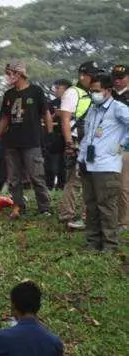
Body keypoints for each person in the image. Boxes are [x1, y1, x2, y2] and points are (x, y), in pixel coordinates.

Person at [0, 61, 54, 219]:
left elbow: (46, 114)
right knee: (13, 178)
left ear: (20, 74)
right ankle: (18, 207)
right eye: (7, 73)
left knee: (36, 176)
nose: (8, 76)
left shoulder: (36, 91)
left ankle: (44, 208)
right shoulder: (8, 95)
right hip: (11, 142)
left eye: (10, 73)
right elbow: (4, 119)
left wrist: (49, 134)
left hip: (31, 141)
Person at [76, 74, 129, 252]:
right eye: (91, 91)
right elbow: (87, 138)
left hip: (107, 165)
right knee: (90, 206)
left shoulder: (118, 108)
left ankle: (109, 245)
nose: (93, 94)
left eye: (97, 91)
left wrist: (122, 145)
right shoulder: (93, 109)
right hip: (89, 164)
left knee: (106, 206)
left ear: (108, 90)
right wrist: (80, 159)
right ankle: (92, 242)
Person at [58, 61, 98, 230]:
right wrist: (69, 144)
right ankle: (67, 214)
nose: (94, 78)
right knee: (74, 179)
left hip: (89, 142)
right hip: (75, 141)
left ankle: (85, 214)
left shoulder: (92, 93)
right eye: (92, 75)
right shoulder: (73, 92)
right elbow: (65, 119)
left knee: (89, 178)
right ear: (83, 76)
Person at [111, 65, 129, 232]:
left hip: (125, 147)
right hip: (111, 146)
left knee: (123, 185)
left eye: (121, 77)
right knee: (113, 185)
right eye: (115, 77)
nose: (117, 80)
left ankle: (123, 222)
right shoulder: (110, 96)